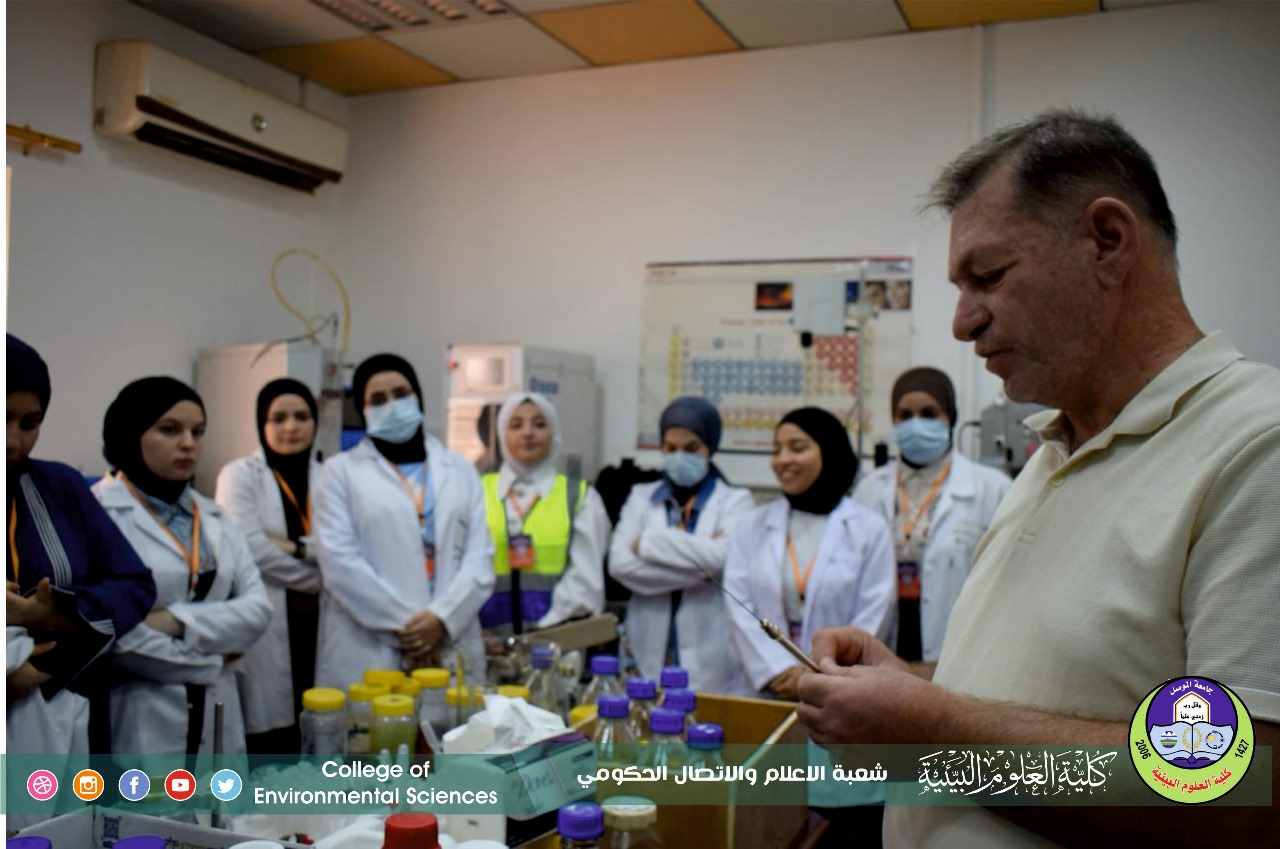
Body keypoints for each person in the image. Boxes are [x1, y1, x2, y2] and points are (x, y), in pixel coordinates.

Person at [797, 110, 1280, 847]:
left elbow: (1239, 794)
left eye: (988, 276)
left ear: (1107, 241)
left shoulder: (1254, 446)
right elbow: (1045, 695)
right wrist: (909, 688)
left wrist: (927, 729)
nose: (962, 322)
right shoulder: (1054, 451)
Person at [93, 377, 271, 756]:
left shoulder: (215, 515)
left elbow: (258, 610)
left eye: (198, 431)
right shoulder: (98, 514)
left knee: (218, 795)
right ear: (130, 434)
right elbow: (110, 638)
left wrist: (173, 621)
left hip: (219, 714)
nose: (189, 443)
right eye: (170, 430)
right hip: (139, 713)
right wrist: (211, 661)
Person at [6, 335, 156, 758]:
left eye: (29, 424)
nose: (13, 441)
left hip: (64, 710)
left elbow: (134, 585)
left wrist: (54, 614)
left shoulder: (58, 486)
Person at [313, 354, 493, 688]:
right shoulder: (339, 473)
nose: (392, 406)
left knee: (454, 720)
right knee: (374, 721)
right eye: (378, 400)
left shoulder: (460, 470)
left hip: (449, 638)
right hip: (372, 648)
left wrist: (442, 619)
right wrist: (415, 631)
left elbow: (480, 558)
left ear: (418, 398)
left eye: (400, 394)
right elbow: (340, 564)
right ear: (362, 410)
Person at [726, 407, 894, 699]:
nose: (782, 460)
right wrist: (778, 670)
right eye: (777, 449)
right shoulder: (752, 524)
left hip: (840, 688)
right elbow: (738, 605)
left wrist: (817, 673)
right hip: (767, 688)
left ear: (828, 451)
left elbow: (874, 612)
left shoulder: (869, 529)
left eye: (797, 448)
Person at [852, 368, 1010, 663]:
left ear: (951, 416)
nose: (916, 425)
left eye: (929, 414)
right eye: (905, 415)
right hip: (884, 633)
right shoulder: (869, 489)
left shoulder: (992, 489)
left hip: (958, 643)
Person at [610, 397, 754, 694]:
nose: (679, 457)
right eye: (670, 448)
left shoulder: (736, 502)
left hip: (710, 648)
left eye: (691, 448)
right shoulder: (640, 497)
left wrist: (647, 542)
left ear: (710, 447)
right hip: (647, 641)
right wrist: (702, 571)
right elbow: (620, 565)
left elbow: (721, 558)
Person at [215, 379, 323, 754]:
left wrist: (296, 547)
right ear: (262, 423)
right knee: (272, 737)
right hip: (267, 621)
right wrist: (319, 575)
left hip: (321, 625)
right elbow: (251, 549)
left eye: (302, 417)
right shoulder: (239, 475)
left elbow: (342, 548)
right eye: (278, 418)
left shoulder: (330, 476)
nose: (291, 427)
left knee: (321, 725)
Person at [478, 391, 609, 637]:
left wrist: (543, 633)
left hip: (558, 641)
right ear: (502, 435)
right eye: (516, 425)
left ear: (554, 433)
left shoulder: (579, 497)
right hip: (486, 642)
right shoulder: (476, 492)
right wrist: (475, 631)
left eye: (539, 424)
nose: (528, 433)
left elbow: (585, 581)